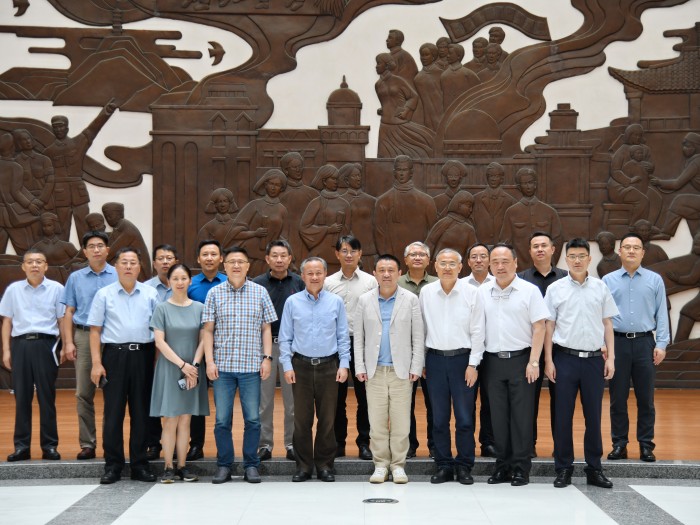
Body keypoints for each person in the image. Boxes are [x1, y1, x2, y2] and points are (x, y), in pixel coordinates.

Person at [544, 238, 618, 489]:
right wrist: (548, 360)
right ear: (566, 259)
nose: (577, 260)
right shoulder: (555, 289)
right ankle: (563, 468)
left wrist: (611, 358)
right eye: (572, 256)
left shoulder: (600, 287)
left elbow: (607, 323)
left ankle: (594, 469)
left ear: (589, 258)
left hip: (594, 361)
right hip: (564, 359)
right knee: (562, 417)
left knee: (593, 417)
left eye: (581, 256)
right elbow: (549, 326)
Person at [202, 246, 277, 484]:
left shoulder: (260, 292)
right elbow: (208, 330)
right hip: (222, 368)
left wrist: (267, 358)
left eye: (241, 262)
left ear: (248, 266)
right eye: (232, 262)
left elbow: (266, 328)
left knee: (252, 419)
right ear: (224, 265)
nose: (236, 265)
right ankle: (224, 465)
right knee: (222, 420)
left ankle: (251, 465)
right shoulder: (214, 293)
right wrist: (209, 361)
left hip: (251, 367)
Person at [88, 247, 160, 484]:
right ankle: (113, 465)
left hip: (144, 356)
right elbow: (95, 330)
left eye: (133, 262)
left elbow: (159, 330)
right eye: (124, 262)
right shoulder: (104, 294)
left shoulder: (150, 293)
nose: (128, 266)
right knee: (113, 413)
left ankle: (140, 464)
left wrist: (157, 362)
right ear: (116, 266)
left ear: (140, 267)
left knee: (141, 413)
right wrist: (96, 363)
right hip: (114, 357)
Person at [479, 243, 548, 486]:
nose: (500, 266)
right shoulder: (483, 292)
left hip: (522, 360)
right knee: (497, 417)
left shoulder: (529, 291)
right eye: (495, 262)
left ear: (516, 263)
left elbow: (539, 327)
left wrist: (534, 361)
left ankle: (520, 468)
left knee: (521, 416)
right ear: (490, 265)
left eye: (505, 261)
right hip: (492, 362)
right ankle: (502, 466)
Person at [279, 257, 351, 482]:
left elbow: (342, 336)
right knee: (301, 420)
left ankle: (324, 465)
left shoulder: (336, 302)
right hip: (300, 366)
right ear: (302, 276)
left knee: (327, 419)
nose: (314, 277)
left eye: (319, 273)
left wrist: (344, 364)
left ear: (325, 275)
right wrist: (287, 365)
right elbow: (285, 337)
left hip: (329, 366)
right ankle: (303, 466)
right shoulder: (292, 302)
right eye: (309, 273)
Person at [354, 254, 424, 484]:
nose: (386, 274)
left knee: (401, 422)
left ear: (399, 273)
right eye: (382, 270)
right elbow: (359, 338)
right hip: (374, 371)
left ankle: (398, 465)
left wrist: (416, 366)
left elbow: (418, 336)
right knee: (376, 422)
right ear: (374, 274)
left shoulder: (410, 299)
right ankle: (381, 465)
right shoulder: (364, 300)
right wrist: (360, 366)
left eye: (391, 270)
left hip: (401, 371)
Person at [420, 249, 485, 485]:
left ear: (460, 267)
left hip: (463, 361)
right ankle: (444, 465)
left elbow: (478, 331)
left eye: (452, 263)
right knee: (438, 418)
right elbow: (421, 329)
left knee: (464, 417)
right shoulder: (426, 292)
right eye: (443, 263)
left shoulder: (472, 292)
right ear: (435, 266)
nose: (447, 268)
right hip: (435, 361)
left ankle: (465, 465)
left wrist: (473, 364)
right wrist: (422, 361)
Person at [603, 233, 670, 462]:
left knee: (646, 399)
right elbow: (601, 316)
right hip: (617, 343)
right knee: (617, 398)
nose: (631, 251)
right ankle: (619, 444)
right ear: (619, 251)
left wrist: (661, 344)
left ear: (643, 252)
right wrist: (604, 345)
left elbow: (662, 314)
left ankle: (646, 445)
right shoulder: (607, 281)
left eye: (636, 247)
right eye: (627, 247)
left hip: (644, 343)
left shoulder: (655, 280)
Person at [1, 248, 65, 462]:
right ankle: (21, 447)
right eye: (30, 261)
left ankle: (50, 446)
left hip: (46, 345)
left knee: (47, 397)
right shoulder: (13, 290)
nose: (34, 265)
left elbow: (62, 320)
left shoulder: (57, 289)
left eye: (39, 261)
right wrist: (7, 350)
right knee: (22, 398)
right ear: (23, 266)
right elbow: (7, 321)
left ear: (46, 266)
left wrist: (66, 345)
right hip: (20, 345)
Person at [150, 263, 209, 483]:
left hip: (193, 369)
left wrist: (193, 366)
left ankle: (182, 466)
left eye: (184, 278)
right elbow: (159, 342)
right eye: (175, 278)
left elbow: (204, 339)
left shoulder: (200, 308)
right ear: (169, 282)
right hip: (170, 368)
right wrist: (182, 366)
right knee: (170, 419)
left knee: (186, 419)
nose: (180, 282)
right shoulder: (162, 308)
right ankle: (168, 467)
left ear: (190, 281)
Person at [61, 230, 117, 460]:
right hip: (84, 336)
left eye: (100, 245)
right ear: (84, 251)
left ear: (108, 250)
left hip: (112, 337)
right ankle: (87, 444)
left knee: (113, 394)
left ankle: (111, 443)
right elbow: (68, 311)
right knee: (84, 392)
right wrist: (68, 342)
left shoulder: (118, 274)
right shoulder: (75, 278)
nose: (96, 250)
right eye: (91, 246)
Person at [324, 236, 377, 460]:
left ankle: (364, 442)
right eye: (344, 250)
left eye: (353, 251)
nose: (349, 255)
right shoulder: (327, 283)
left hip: (362, 344)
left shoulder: (370, 282)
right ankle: (338, 443)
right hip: (335, 346)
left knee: (365, 397)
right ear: (337, 254)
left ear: (360, 254)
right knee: (337, 399)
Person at [253, 239, 304, 462]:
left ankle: (292, 444)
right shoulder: (257, 284)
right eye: (275, 256)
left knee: (292, 400)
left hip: (291, 348)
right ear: (267, 259)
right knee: (264, 401)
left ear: (290, 258)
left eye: (283, 256)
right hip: (264, 347)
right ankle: (265, 445)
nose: (279, 260)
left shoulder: (299, 283)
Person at [517, 232, 567, 457]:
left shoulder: (566, 278)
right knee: (528, 401)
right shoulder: (521, 279)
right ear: (529, 251)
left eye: (544, 245)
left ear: (553, 249)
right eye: (535, 246)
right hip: (530, 349)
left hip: (561, 349)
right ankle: (529, 446)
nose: (540, 249)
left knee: (561, 401)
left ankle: (561, 448)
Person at [43, 101, 117, 241]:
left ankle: (86, 252)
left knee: (84, 227)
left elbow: (93, 128)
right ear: (52, 129)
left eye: (61, 126)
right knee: (61, 229)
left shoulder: (78, 143)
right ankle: (63, 253)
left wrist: (107, 111)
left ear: (67, 128)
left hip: (79, 194)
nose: (59, 129)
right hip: (60, 195)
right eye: (55, 127)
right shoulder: (48, 152)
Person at [186, 239, 226, 461]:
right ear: (198, 259)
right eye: (205, 254)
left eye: (213, 254)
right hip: (197, 348)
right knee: (197, 398)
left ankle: (224, 446)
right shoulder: (190, 284)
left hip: (225, 348)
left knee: (223, 401)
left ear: (221, 258)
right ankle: (196, 445)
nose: (209, 258)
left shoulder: (229, 282)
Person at [398, 241, 437, 458]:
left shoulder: (438, 283)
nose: (417, 257)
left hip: (432, 352)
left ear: (429, 260)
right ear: (405, 260)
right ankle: (409, 445)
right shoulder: (395, 283)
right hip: (404, 353)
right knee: (405, 403)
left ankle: (435, 445)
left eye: (422, 254)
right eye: (413, 254)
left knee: (435, 404)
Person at [144, 244, 179, 460]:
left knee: (179, 397)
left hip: (181, 348)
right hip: (152, 348)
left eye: (169, 258)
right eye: (161, 258)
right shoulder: (146, 288)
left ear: (176, 262)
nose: (165, 262)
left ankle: (178, 443)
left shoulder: (184, 285)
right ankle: (153, 443)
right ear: (154, 263)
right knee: (153, 396)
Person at [463, 242, 496, 458]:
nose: (479, 260)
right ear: (468, 262)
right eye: (474, 256)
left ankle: (489, 442)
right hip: (468, 352)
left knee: (490, 400)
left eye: (483, 256)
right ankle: (467, 444)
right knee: (467, 401)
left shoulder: (498, 283)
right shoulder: (460, 285)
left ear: (490, 260)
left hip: (492, 351)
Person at [499, 168, 563, 268]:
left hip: (545, 269)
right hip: (519, 268)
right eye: (525, 183)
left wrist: (549, 262)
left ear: (535, 184)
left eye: (530, 182)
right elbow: (505, 242)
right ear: (519, 187)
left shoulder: (550, 212)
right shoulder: (511, 212)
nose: (528, 186)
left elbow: (557, 240)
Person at [375, 156, 437, 258]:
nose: (401, 173)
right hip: (392, 257)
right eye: (399, 170)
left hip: (419, 257)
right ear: (394, 172)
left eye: (404, 170)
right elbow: (380, 234)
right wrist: (387, 258)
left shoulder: (427, 201)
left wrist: (424, 255)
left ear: (411, 172)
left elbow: (433, 234)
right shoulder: (383, 201)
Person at [374, 53, 435, 159]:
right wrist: (382, 109)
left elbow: (413, 96)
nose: (376, 66)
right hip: (385, 125)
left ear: (387, 65)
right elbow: (385, 101)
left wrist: (406, 110)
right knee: (384, 156)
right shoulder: (378, 84)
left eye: (379, 63)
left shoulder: (398, 81)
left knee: (420, 149)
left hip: (399, 123)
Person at [231, 169, 290, 276]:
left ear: (281, 188)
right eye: (271, 184)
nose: (273, 187)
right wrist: (254, 233)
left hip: (271, 258)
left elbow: (284, 238)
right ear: (265, 185)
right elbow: (235, 232)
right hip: (251, 255)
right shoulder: (254, 205)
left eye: (277, 185)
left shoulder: (282, 210)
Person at [300, 165, 351, 274]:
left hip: (338, 253)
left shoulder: (344, 204)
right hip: (320, 253)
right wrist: (328, 229)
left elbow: (348, 231)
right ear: (324, 181)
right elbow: (304, 227)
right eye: (333, 179)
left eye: (337, 179)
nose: (336, 182)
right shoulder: (316, 202)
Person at [651, 132, 700, 238]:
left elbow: (677, 184)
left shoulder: (696, 162)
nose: (684, 149)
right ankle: (697, 238)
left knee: (679, 201)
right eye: (684, 146)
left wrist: (659, 182)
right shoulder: (694, 160)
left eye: (688, 146)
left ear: (696, 147)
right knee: (689, 212)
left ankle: (666, 232)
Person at [279, 151, 318, 263]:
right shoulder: (279, 194)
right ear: (286, 170)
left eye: (300, 166)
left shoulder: (313, 194)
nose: (298, 170)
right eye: (294, 167)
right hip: (286, 238)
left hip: (308, 239)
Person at [102, 202, 151, 281]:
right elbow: (111, 241)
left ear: (120, 214)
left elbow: (111, 252)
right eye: (106, 216)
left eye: (110, 215)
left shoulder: (128, 229)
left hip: (139, 274)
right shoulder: (118, 228)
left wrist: (96, 262)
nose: (108, 218)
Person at [472, 162, 516, 245]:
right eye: (491, 176)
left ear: (501, 178)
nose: (493, 179)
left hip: (502, 247)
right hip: (480, 246)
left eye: (496, 176)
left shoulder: (510, 201)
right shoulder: (476, 199)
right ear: (487, 178)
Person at [413, 42, 443, 131]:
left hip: (440, 110)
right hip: (424, 112)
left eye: (426, 55)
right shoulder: (418, 77)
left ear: (433, 56)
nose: (423, 58)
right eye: (422, 55)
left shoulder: (441, 73)